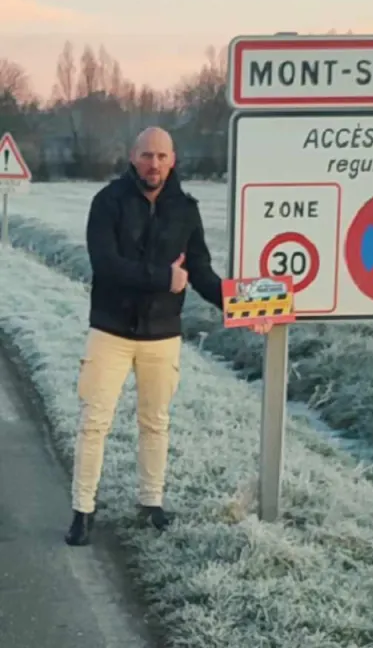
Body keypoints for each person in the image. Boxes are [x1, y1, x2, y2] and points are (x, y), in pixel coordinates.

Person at [65, 127, 268, 547]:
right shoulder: (107, 202)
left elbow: (203, 273)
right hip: (110, 331)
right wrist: (164, 277)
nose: (152, 164)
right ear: (132, 156)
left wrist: (246, 309)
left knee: (155, 423)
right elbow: (105, 265)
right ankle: (83, 511)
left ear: (172, 159)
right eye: (145, 155)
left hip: (162, 335)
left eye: (160, 156)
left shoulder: (185, 210)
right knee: (93, 423)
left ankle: (151, 504)